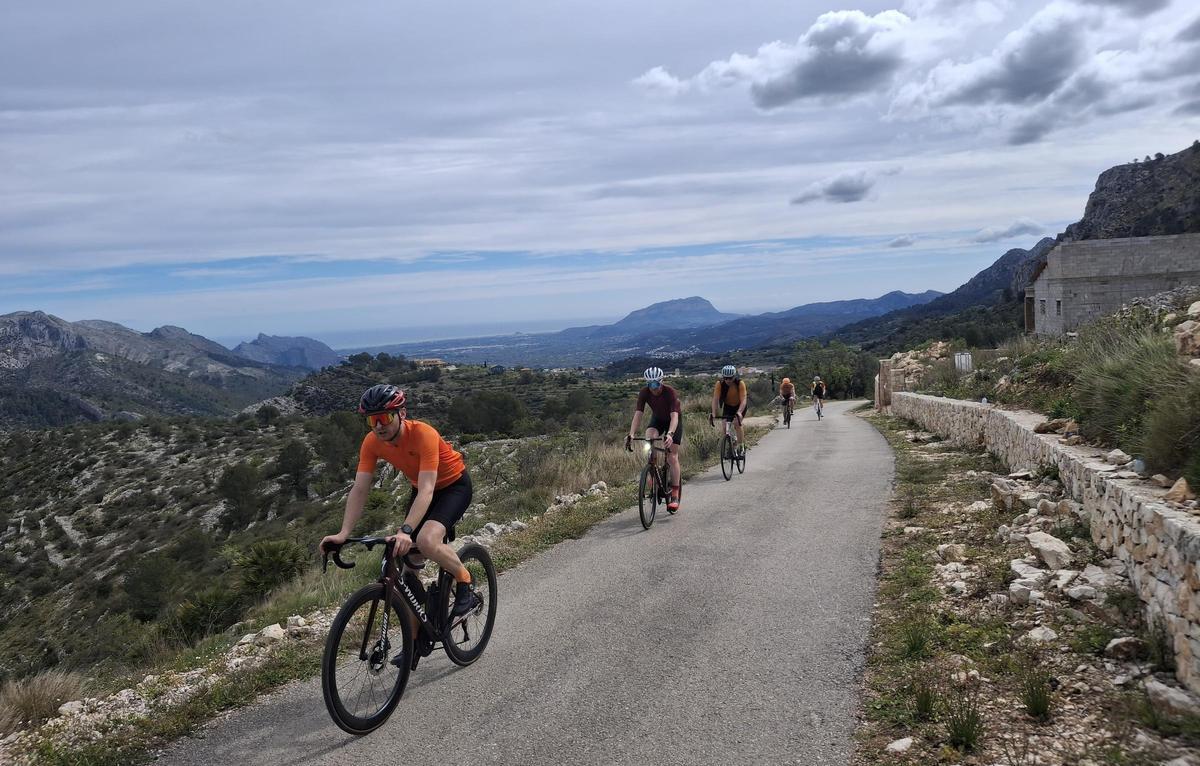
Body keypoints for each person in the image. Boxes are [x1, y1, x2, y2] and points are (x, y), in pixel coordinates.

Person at [319, 384, 479, 619]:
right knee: (407, 574)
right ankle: (414, 644)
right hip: (421, 490)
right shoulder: (372, 443)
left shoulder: (423, 433)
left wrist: (406, 530)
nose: (379, 426)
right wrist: (343, 533)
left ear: (401, 414)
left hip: (453, 486)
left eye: (384, 418)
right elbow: (360, 488)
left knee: (425, 540)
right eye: (372, 421)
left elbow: (427, 490)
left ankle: (464, 578)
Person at [625, 367, 683, 511]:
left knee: (672, 456)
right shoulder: (644, 393)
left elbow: (674, 417)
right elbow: (638, 414)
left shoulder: (670, 392)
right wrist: (631, 434)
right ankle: (653, 469)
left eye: (656, 384)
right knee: (649, 437)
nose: (653, 388)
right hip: (657, 419)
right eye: (650, 384)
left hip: (672, 421)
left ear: (661, 382)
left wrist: (670, 434)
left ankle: (675, 494)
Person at [710, 364, 747, 455]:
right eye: (726, 378)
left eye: (730, 378)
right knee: (724, 426)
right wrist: (714, 413)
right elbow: (715, 399)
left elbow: (744, 400)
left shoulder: (740, 383)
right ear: (723, 377)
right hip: (728, 406)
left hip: (740, 406)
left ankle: (741, 446)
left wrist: (739, 412)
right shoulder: (720, 384)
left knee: (737, 423)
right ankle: (732, 441)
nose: (728, 380)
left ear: (734, 376)